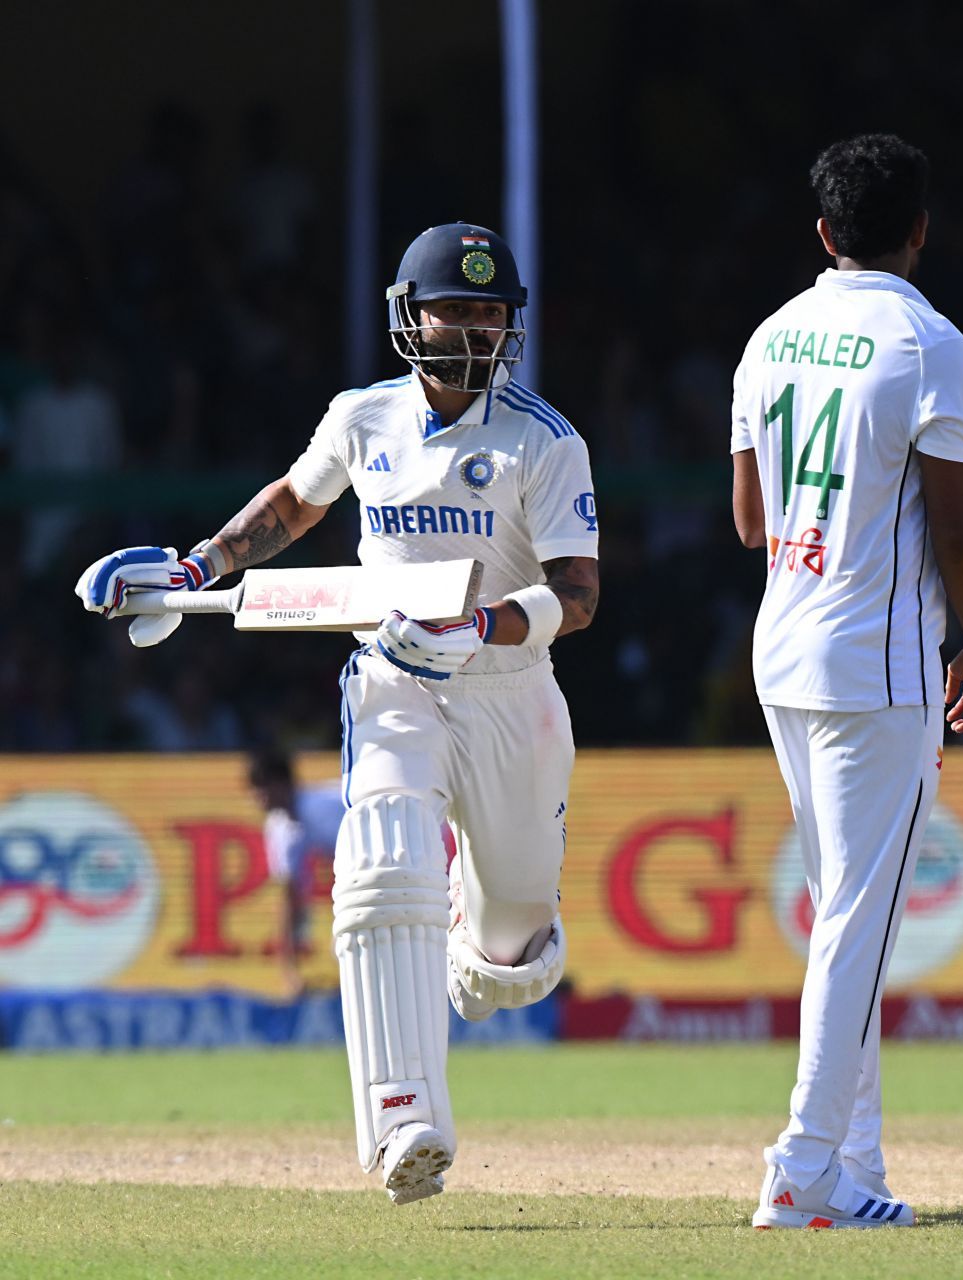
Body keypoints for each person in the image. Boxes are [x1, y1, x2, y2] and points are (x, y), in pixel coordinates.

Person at [76, 222, 599, 1205]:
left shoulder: (545, 438)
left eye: (494, 313)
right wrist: (192, 569)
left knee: (509, 952)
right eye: (457, 309)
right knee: (380, 861)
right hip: (395, 675)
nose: (478, 330)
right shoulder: (364, 418)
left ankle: (480, 946)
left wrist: (482, 624)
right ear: (411, 315)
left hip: (511, 690)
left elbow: (578, 594)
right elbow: (293, 503)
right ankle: (405, 1121)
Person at [729, 134, 963, 1229]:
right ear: (920, 231)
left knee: (846, 915)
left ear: (825, 235)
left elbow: (751, 519)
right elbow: (957, 520)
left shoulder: (768, 336)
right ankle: (799, 1168)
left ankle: (860, 1166)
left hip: (783, 648)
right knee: (857, 919)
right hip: (876, 663)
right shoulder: (930, 341)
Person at [246, 746, 347, 997]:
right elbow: (290, 900)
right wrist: (290, 975)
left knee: (347, 946)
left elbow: (364, 865)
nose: (257, 797)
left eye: (262, 788)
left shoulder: (323, 808)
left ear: (281, 784)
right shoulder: (279, 828)